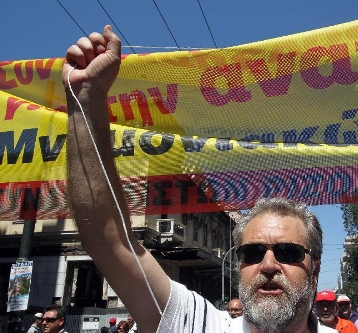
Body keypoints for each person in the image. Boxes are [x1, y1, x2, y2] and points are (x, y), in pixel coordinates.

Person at [63, 25, 337, 333]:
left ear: (314, 268)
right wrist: (87, 98)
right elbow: (108, 239)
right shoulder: (200, 324)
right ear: (239, 266)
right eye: (252, 253)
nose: (269, 265)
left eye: (288, 252)